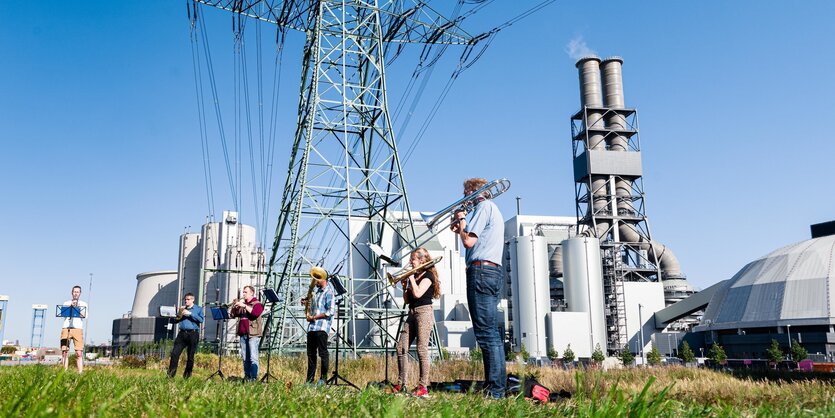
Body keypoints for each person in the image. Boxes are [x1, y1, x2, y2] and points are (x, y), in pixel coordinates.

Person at [451, 177, 506, 399]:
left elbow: (469, 243)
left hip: (481, 271)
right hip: (492, 272)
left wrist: (463, 220)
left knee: (486, 334)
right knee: (491, 333)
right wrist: (461, 226)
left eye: (466, 193)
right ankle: (496, 387)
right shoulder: (492, 210)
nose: (464, 199)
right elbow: (473, 238)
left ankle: (495, 391)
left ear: (475, 192)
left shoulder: (484, 206)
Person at [393, 247, 440, 398]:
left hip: (424, 313)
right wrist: (404, 286)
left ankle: (423, 387)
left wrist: (411, 277)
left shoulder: (428, 276)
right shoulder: (416, 276)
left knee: (421, 349)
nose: (410, 262)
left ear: (421, 260)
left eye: (412, 259)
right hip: (412, 313)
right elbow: (408, 300)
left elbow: (419, 293)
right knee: (401, 347)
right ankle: (401, 384)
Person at [304, 266, 334, 384]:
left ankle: (323, 379)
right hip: (312, 327)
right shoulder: (316, 293)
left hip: (321, 327)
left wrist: (315, 317)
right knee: (311, 354)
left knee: (323, 353)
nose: (315, 281)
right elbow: (314, 309)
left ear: (323, 279)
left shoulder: (329, 292)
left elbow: (330, 311)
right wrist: (306, 304)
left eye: (317, 279)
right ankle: (309, 380)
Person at [229, 285, 264, 381]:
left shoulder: (257, 304)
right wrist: (234, 306)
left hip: (253, 334)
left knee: (253, 357)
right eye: (243, 292)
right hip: (243, 334)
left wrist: (244, 305)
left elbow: (255, 313)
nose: (243, 294)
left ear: (251, 293)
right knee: (245, 357)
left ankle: (253, 378)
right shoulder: (242, 304)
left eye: (245, 292)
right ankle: (247, 376)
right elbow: (233, 315)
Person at [167, 293, 204, 378]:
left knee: (190, 356)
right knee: (174, 354)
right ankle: (170, 376)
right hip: (182, 334)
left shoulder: (198, 309)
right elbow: (176, 321)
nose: (186, 301)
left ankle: (187, 376)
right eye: (185, 299)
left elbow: (201, 320)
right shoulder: (182, 309)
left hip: (193, 334)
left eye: (188, 299)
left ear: (192, 300)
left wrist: (190, 314)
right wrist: (179, 314)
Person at [60, 285, 88, 373]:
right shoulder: (66, 303)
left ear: (80, 293)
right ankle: (64, 371)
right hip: (66, 327)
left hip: (77, 328)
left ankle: (80, 372)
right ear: (72, 293)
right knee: (65, 351)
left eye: (77, 292)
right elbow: (63, 315)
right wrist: (70, 307)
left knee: (79, 353)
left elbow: (85, 316)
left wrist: (77, 308)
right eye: (74, 292)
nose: (76, 293)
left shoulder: (84, 304)